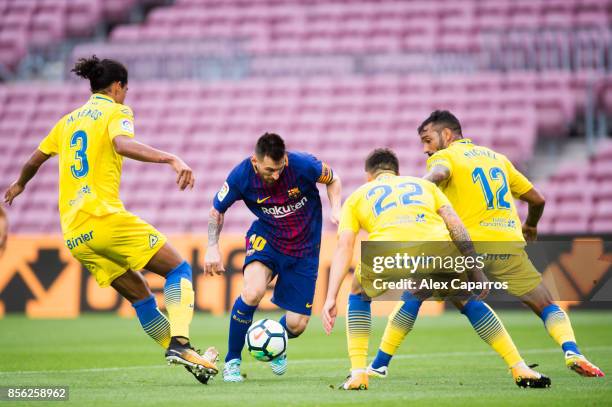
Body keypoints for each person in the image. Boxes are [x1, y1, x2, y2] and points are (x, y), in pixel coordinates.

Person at [4, 55, 218, 384]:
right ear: (117, 87)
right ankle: (181, 343)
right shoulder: (115, 111)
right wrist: (171, 158)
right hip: (102, 217)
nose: (126, 95)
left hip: (74, 233)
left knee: (141, 295)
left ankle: (190, 359)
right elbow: (122, 144)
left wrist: (20, 184)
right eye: (126, 90)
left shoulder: (67, 121)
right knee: (178, 268)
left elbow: (35, 158)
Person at [369, 110, 604, 379]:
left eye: (427, 140)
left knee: (418, 294)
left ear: (446, 135)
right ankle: (572, 349)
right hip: (508, 243)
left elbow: (439, 173)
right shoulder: (498, 159)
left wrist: (416, 190)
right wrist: (531, 225)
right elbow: (538, 199)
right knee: (546, 303)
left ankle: (379, 364)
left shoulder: (445, 157)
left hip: (468, 246)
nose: (425, 149)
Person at [322, 148, 550, 390]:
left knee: (359, 293)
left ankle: (359, 373)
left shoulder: (358, 195)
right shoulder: (424, 186)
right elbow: (455, 224)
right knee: (466, 299)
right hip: (438, 246)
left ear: (369, 176)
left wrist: (330, 297)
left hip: (389, 249)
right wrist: (472, 265)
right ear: (398, 173)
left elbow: (344, 247)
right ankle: (518, 366)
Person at [205, 132, 342, 382]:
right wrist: (212, 246)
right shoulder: (240, 176)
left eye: (280, 168)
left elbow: (333, 179)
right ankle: (232, 361)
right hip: (267, 239)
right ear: (255, 161)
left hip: (304, 249)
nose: (276, 175)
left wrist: (337, 208)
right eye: (269, 170)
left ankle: (274, 343)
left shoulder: (304, 165)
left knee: (297, 324)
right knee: (252, 292)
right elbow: (217, 210)